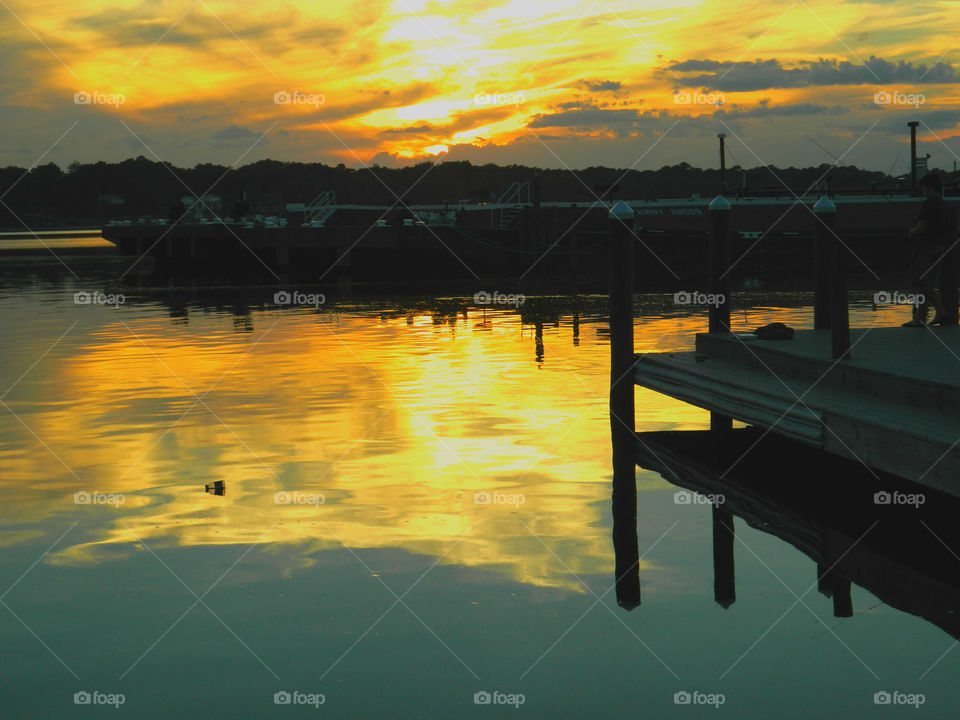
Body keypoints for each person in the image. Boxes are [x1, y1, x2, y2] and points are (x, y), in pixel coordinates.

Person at [903, 173, 950, 326]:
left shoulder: (929, 204)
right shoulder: (943, 204)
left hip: (925, 248)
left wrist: (912, 231)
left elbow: (922, 226)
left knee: (916, 281)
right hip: (940, 248)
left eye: (923, 187)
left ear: (929, 187)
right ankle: (941, 312)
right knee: (927, 283)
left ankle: (920, 318)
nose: (922, 190)